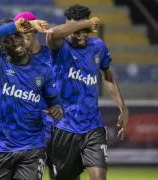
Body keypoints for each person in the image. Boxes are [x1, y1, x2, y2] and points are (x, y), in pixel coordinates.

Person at [0, 18, 63, 180]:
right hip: (1, 148)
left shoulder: (43, 70)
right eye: (8, 39)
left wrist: (57, 109)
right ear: (1, 45)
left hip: (32, 148)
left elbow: (54, 102)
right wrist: (14, 26)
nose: (15, 41)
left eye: (17, 36)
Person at [45, 4, 129, 180]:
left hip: (93, 126)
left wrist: (123, 107)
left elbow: (107, 76)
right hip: (64, 127)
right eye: (77, 30)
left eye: (86, 31)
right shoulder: (60, 47)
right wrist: (87, 23)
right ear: (69, 28)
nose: (82, 36)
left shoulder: (98, 47)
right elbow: (51, 34)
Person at [13, 12, 56, 180]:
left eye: (27, 30)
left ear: (35, 30)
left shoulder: (53, 55)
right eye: (19, 32)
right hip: (28, 132)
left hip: (57, 128)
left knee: (63, 175)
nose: (23, 36)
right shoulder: (12, 60)